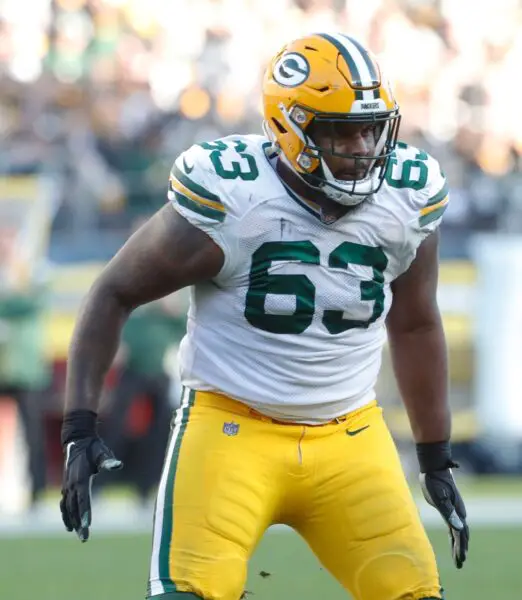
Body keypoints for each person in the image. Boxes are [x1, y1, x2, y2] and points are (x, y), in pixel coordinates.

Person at [60, 32, 469, 600]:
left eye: (369, 127)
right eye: (338, 130)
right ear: (291, 127)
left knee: (412, 592)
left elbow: (417, 320)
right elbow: (112, 293)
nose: (361, 145)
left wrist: (435, 454)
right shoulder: (235, 196)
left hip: (351, 437)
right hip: (231, 430)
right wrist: (79, 428)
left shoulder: (406, 197)